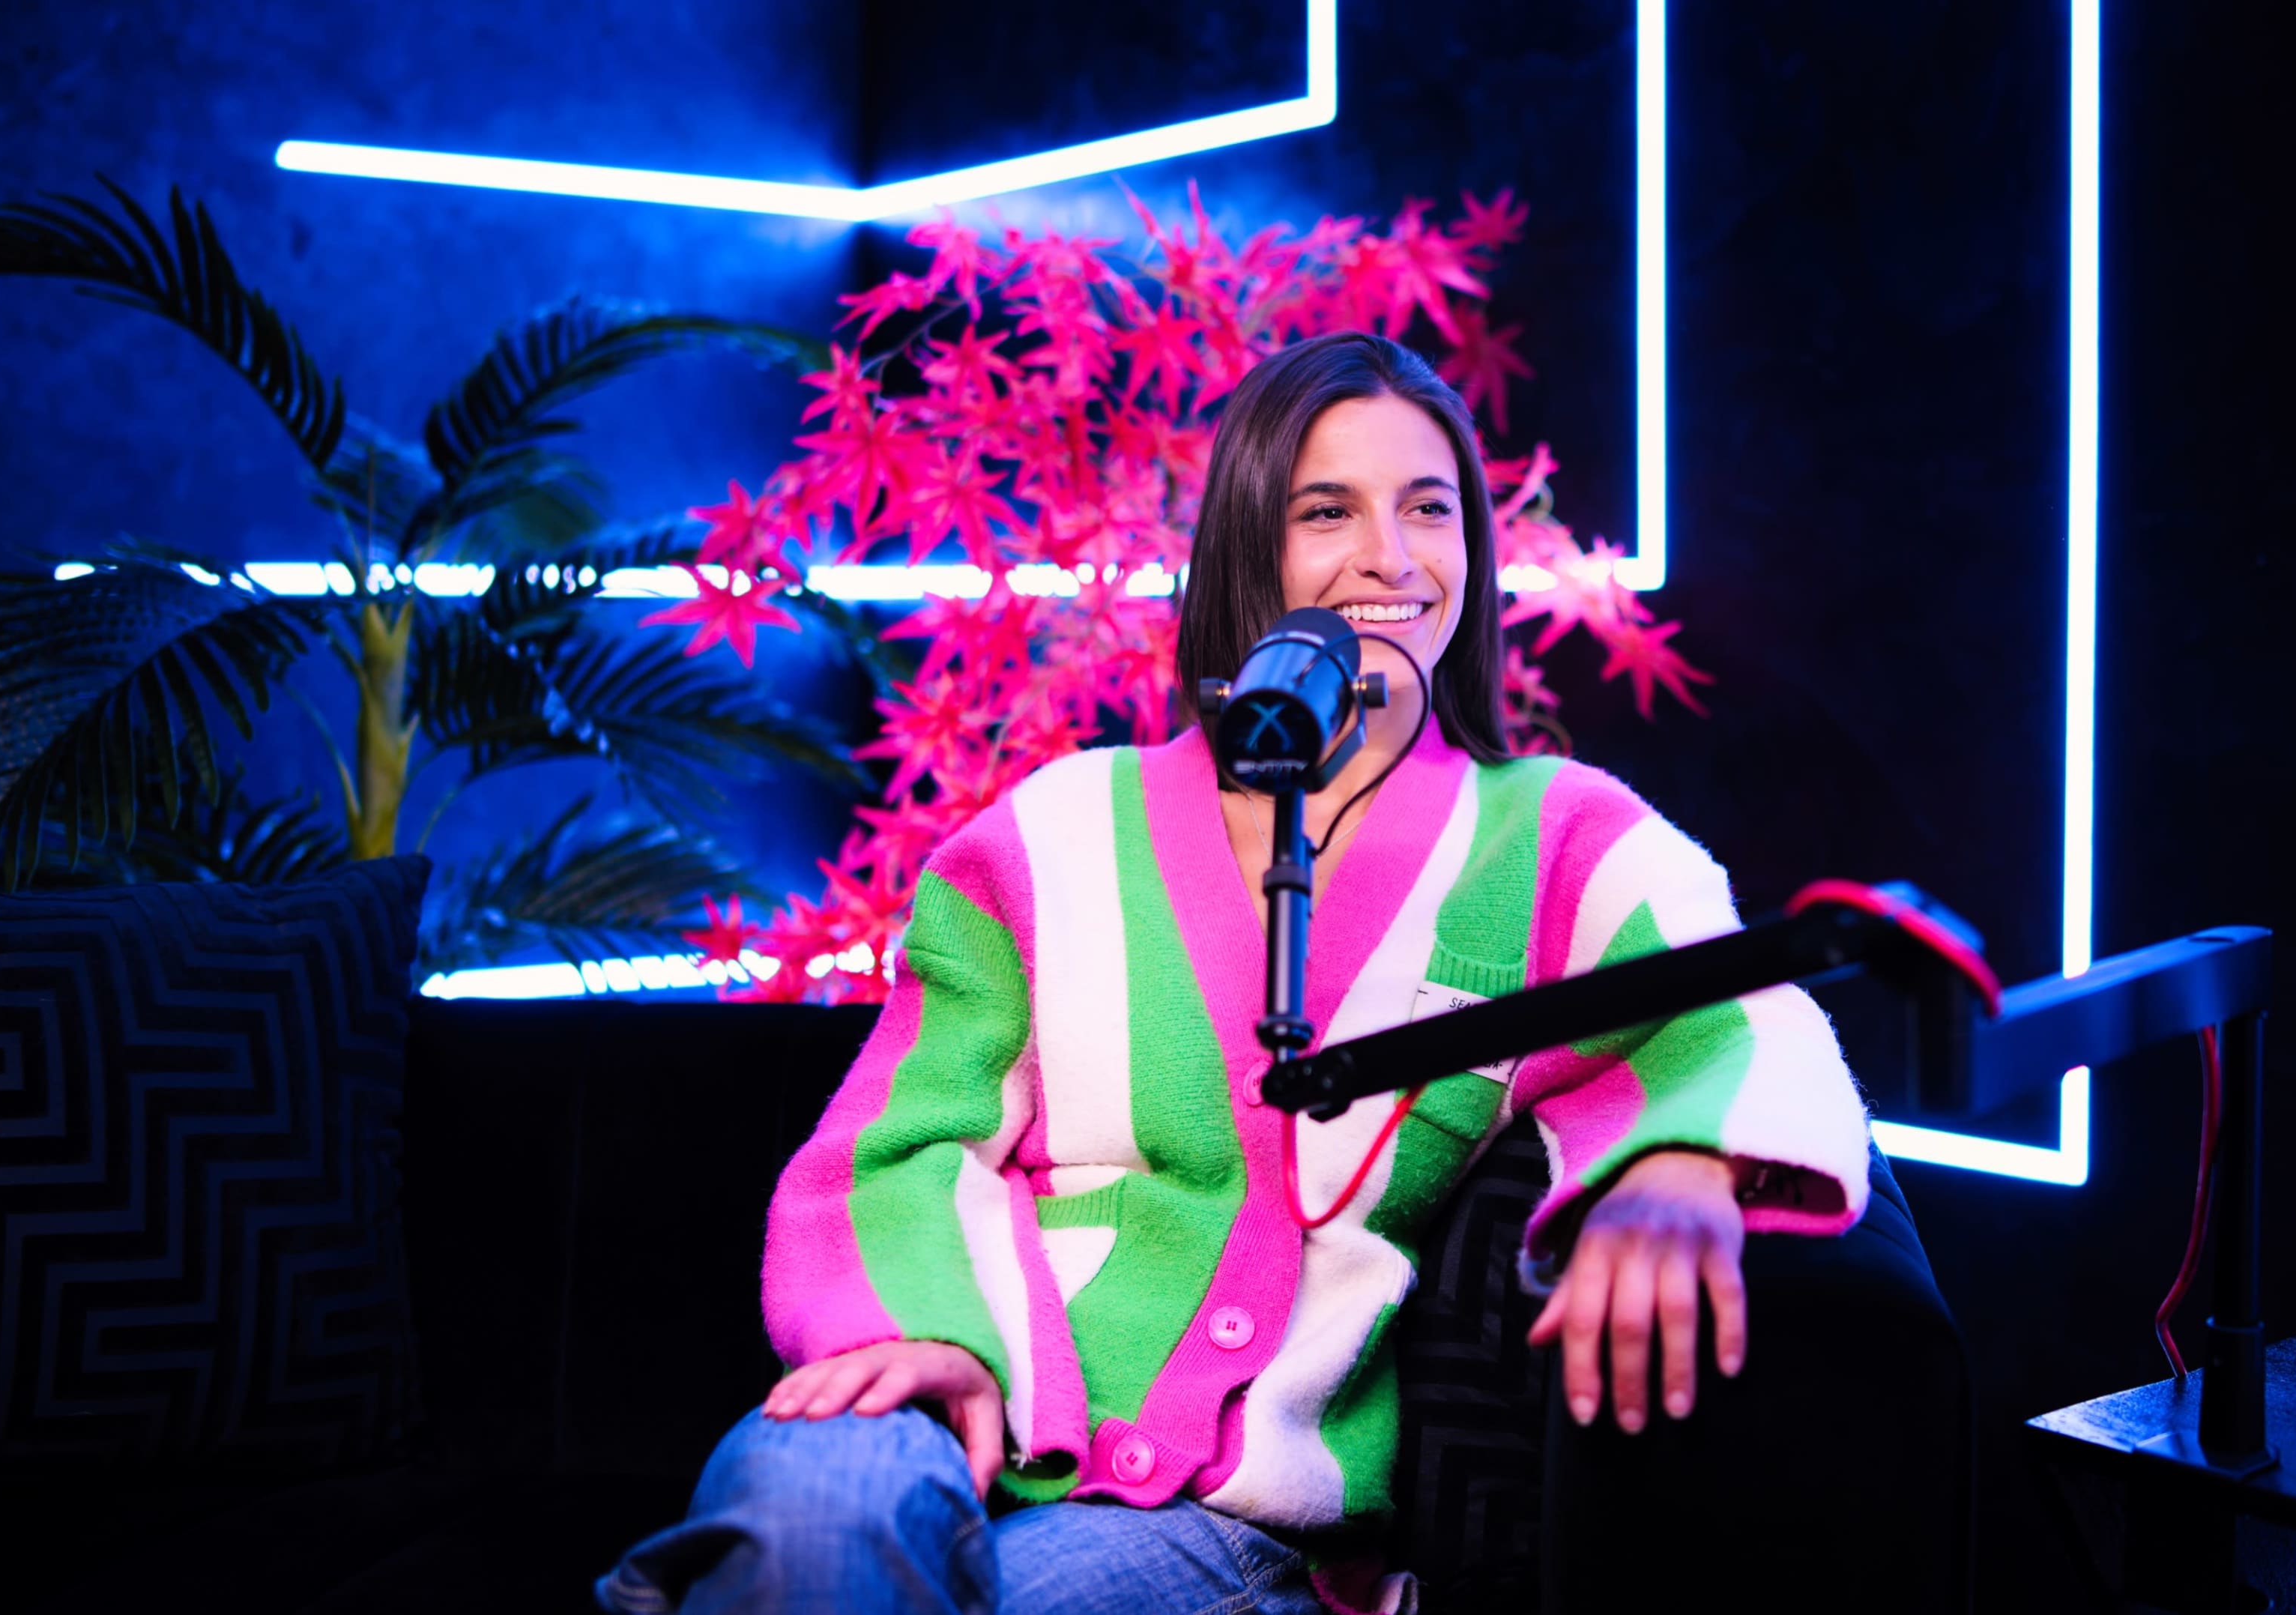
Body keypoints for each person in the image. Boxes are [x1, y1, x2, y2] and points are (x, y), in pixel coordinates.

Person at [596, 331, 1875, 1615]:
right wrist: (925, 1333)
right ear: (1250, 547)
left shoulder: (1554, 837)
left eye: (1429, 509)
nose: (1391, 554)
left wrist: (1683, 1161)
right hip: (942, 1403)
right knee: (802, 1530)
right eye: (1330, 511)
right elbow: (903, 1138)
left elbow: (1737, 1012)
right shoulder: (1054, 828)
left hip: (1223, 1524)